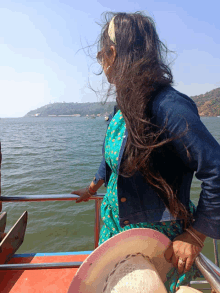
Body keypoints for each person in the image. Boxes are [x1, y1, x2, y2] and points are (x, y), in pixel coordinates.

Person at [72, 12, 220, 292]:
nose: (102, 63)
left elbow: (216, 168)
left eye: (101, 55)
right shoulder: (124, 109)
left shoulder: (168, 106)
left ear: (112, 53)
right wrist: (92, 188)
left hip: (156, 241)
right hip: (115, 230)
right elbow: (112, 159)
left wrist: (197, 235)